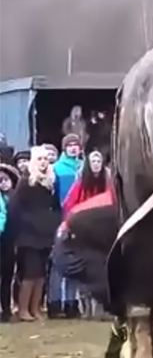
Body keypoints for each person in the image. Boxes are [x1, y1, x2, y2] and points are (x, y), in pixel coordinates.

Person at [10, 146, 61, 321]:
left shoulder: (50, 182)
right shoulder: (26, 181)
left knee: (41, 274)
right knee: (31, 272)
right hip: (28, 236)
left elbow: (54, 207)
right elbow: (16, 207)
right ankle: (23, 309)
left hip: (45, 235)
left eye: (46, 159)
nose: (43, 162)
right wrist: (25, 226)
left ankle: (36, 308)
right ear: (34, 161)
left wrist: (54, 222)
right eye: (40, 159)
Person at [49, 135, 83, 319]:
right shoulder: (57, 169)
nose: (73, 148)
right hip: (61, 218)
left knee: (75, 261)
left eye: (76, 145)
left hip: (80, 220)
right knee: (57, 262)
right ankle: (54, 303)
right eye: (69, 145)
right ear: (64, 148)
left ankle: (72, 303)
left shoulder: (83, 167)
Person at [0, 163, 19, 322]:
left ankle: (6, 309)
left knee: (7, 277)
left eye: (6, 179)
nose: (3, 183)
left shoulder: (15, 198)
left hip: (10, 242)